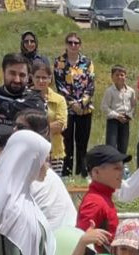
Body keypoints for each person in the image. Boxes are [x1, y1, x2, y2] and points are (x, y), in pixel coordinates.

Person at [55, 34, 96, 176]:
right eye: (70, 42)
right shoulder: (59, 62)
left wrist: (82, 103)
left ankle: (81, 173)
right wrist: (72, 103)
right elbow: (60, 85)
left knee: (82, 142)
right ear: (66, 44)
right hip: (67, 109)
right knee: (67, 142)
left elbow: (91, 85)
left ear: (80, 45)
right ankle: (66, 173)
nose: (73, 45)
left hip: (85, 109)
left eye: (76, 43)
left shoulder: (87, 62)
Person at [78, 144, 127, 234]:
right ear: (96, 172)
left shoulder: (103, 198)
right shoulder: (94, 203)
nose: (122, 173)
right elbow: (81, 237)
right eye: (116, 168)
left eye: (122, 168)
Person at [32, 60, 70, 176]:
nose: (41, 81)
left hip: (55, 150)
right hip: (32, 151)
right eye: (37, 77)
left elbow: (61, 125)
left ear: (50, 79)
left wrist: (35, 130)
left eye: (44, 77)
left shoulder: (59, 99)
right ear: (32, 77)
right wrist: (49, 128)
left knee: (53, 183)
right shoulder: (25, 98)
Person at [101, 65, 134, 156]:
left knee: (123, 146)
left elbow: (133, 105)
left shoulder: (130, 91)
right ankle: (110, 162)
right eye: (117, 75)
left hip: (125, 120)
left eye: (122, 75)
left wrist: (129, 115)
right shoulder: (109, 91)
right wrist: (117, 115)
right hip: (113, 120)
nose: (119, 77)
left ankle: (122, 163)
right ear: (112, 77)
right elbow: (104, 106)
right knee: (111, 146)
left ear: (125, 76)